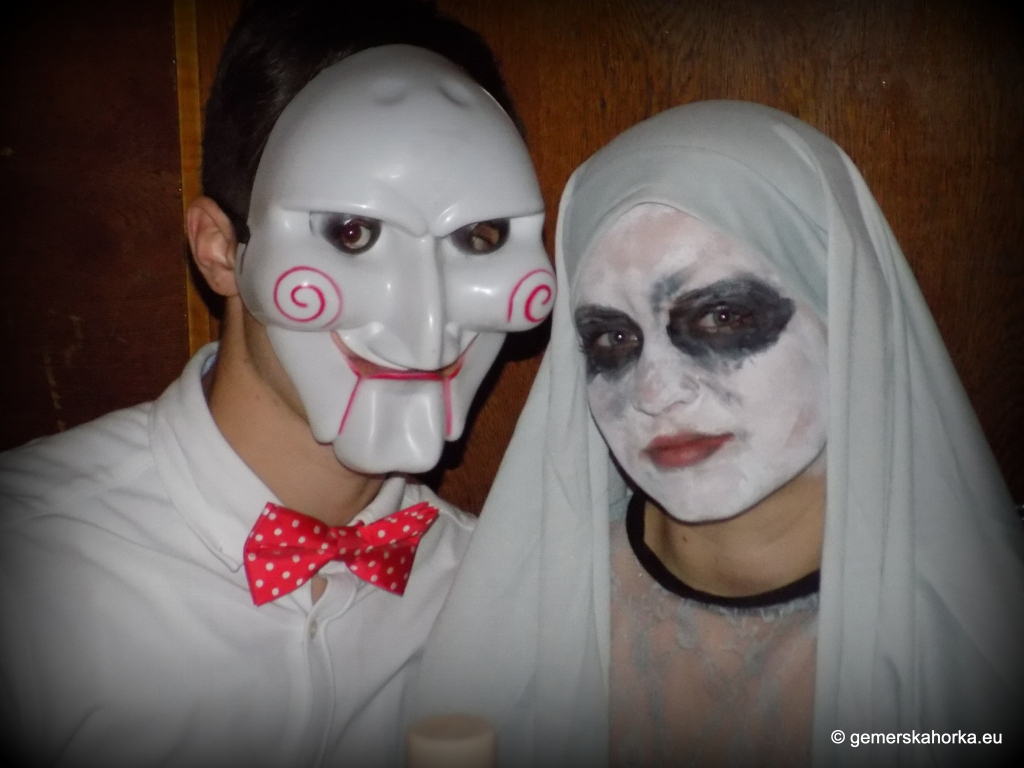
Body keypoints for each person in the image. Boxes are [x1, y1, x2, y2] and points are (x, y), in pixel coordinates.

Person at [0, 1, 554, 766]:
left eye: (479, 238)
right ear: (220, 250)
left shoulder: (504, 598)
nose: (427, 325)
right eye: (352, 233)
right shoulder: (28, 569)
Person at [409, 101, 1024, 767]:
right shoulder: (517, 621)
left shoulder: (977, 656)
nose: (655, 390)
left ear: (846, 311)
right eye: (612, 338)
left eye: (722, 316)